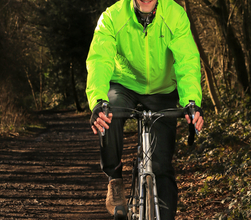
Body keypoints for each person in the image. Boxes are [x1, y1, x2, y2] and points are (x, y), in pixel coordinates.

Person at [86, 0, 204, 219]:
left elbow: (187, 60)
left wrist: (191, 102)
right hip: (124, 84)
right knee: (108, 111)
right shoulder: (112, 17)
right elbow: (99, 60)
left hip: (163, 90)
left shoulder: (175, 15)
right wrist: (98, 100)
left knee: (162, 167)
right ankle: (115, 179)